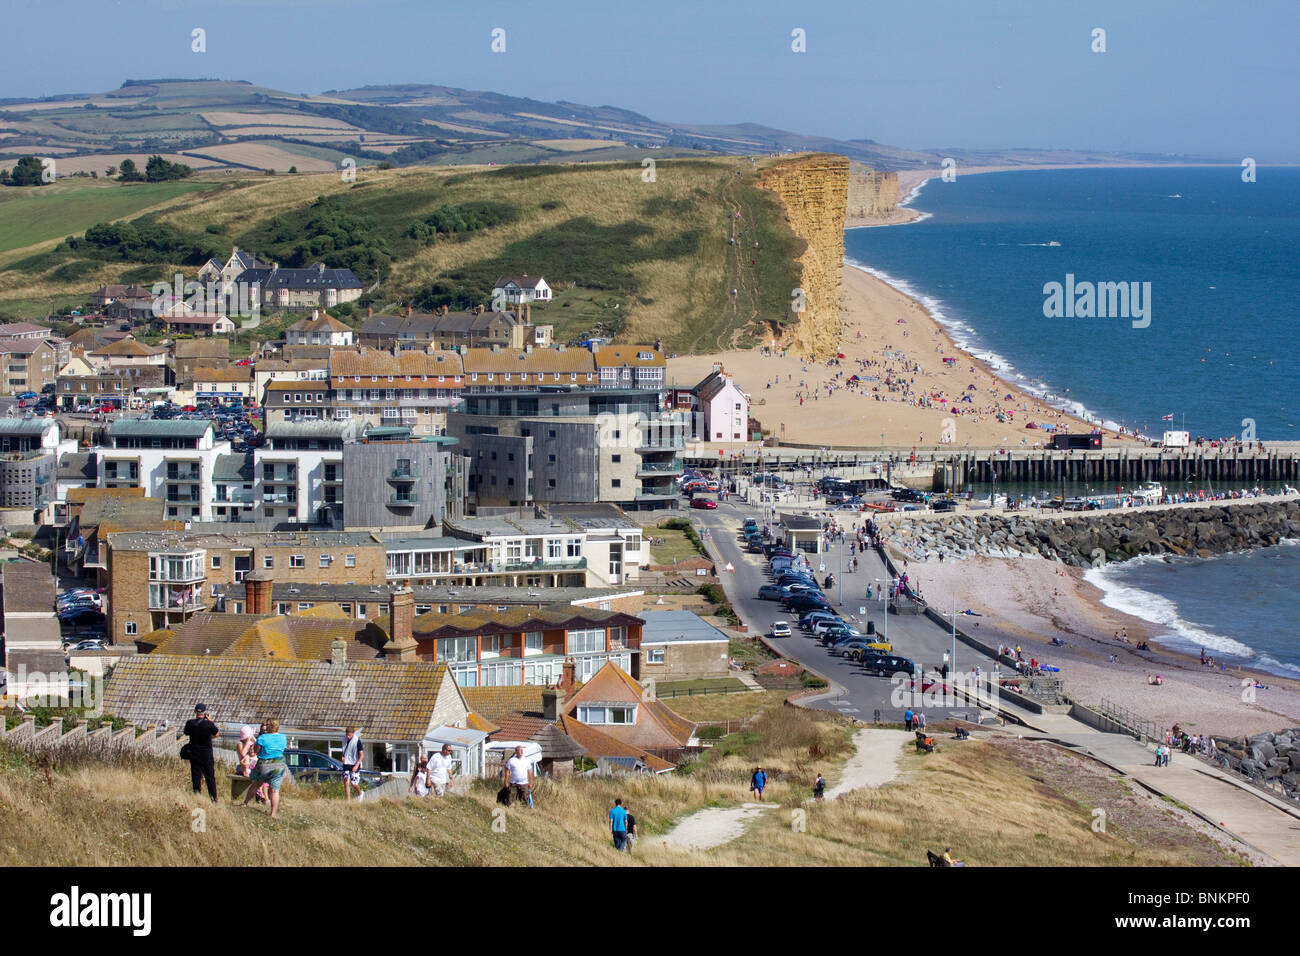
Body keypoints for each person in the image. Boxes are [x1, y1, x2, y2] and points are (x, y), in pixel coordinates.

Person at [242, 718, 288, 819]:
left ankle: (245, 803)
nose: (265, 726)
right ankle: (273, 813)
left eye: (267, 724)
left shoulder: (262, 738)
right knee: (275, 791)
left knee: (255, 785)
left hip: (264, 765)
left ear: (270, 726)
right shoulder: (283, 737)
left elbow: (256, 751)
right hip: (279, 765)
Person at [341, 726, 364, 803]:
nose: (348, 737)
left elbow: (361, 755)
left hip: (354, 764)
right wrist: (343, 757)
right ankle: (348, 801)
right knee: (346, 782)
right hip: (346, 763)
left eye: (349, 735)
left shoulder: (357, 741)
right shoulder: (344, 739)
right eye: (347, 735)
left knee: (353, 783)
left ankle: (360, 793)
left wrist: (357, 765)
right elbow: (345, 751)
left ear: (353, 734)